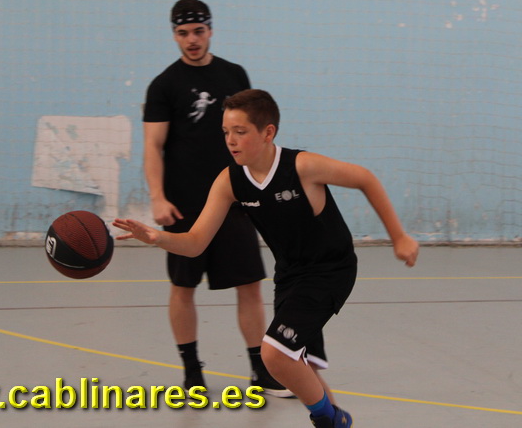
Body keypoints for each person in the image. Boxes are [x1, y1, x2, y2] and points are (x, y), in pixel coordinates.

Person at [117, 89, 419, 427]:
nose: (231, 141)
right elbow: (196, 243)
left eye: (240, 132)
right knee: (301, 368)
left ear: (268, 132)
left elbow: (365, 178)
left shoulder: (302, 167)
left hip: (330, 271)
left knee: (274, 355)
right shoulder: (231, 181)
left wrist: (399, 236)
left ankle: (332, 420)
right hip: (289, 275)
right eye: (226, 132)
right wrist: (156, 237)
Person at [142, 0, 289, 396]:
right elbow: (153, 146)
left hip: (235, 202)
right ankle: (192, 372)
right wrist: (157, 197)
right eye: (183, 33)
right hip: (184, 207)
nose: (192, 40)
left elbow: (252, 135)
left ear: (210, 30)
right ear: (174, 35)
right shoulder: (163, 85)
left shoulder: (234, 74)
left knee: (250, 286)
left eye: (198, 31)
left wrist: (263, 184)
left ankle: (260, 370)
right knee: (183, 288)